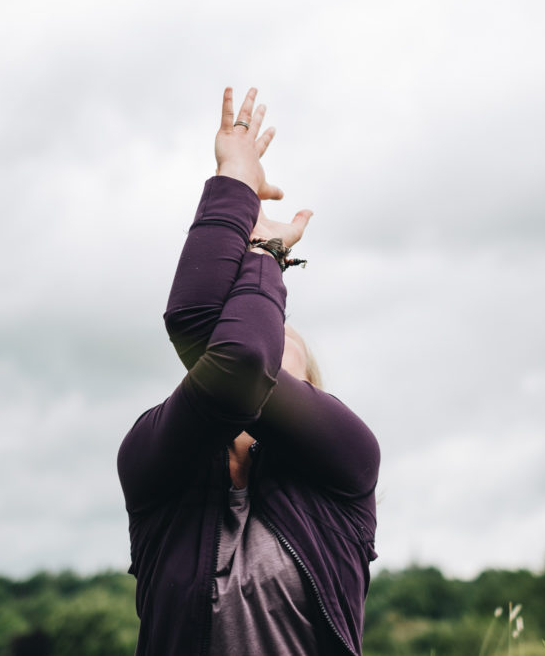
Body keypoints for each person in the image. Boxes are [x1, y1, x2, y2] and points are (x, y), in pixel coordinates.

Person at [117, 87, 380, 655]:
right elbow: (228, 354)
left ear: (310, 393)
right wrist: (260, 242)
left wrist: (235, 192)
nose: (264, 345)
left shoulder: (348, 465)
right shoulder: (151, 460)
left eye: (282, 351)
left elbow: (238, 359)